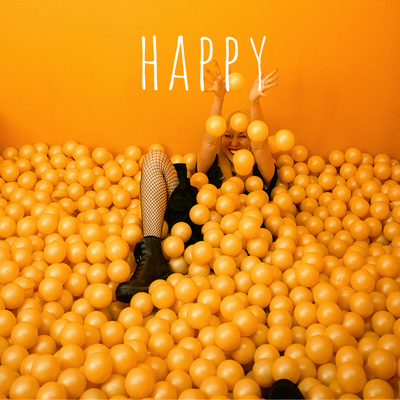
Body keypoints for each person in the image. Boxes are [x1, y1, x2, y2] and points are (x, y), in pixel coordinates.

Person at [115, 61, 278, 303]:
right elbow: (211, 140)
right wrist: (219, 99)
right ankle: (152, 260)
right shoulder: (211, 166)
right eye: (228, 136)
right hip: (190, 228)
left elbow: (261, 144)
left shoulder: (262, 171)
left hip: (234, 248)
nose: (234, 142)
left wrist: (255, 103)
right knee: (154, 158)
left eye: (242, 136)